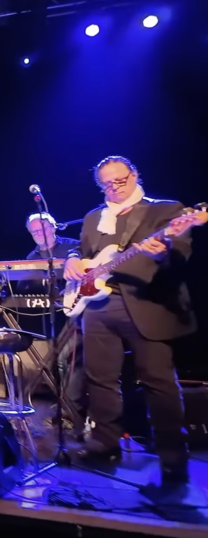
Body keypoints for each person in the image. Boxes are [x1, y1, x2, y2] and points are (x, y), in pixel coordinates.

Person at [63, 156, 195, 488]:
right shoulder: (95, 216)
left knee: (159, 383)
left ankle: (173, 461)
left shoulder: (165, 210)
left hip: (147, 303)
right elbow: (82, 250)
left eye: (120, 181)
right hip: (98, 305)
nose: (114, 188)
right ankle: (104, 445)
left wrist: (160, 253)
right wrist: (72, 260)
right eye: (106, 184)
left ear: (135, 175)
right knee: (101, 379)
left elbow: (179, 252)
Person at [22, 213, 86, 438]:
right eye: (35, 232)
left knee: (68, 359)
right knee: (58, 362)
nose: (39, 235)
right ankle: (65, 407)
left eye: (43, 229)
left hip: (80, 312)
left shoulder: (72, 246)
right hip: (56, 318)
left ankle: (71, 412)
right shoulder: (32, 257)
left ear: (53, 228)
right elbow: (22, 285)